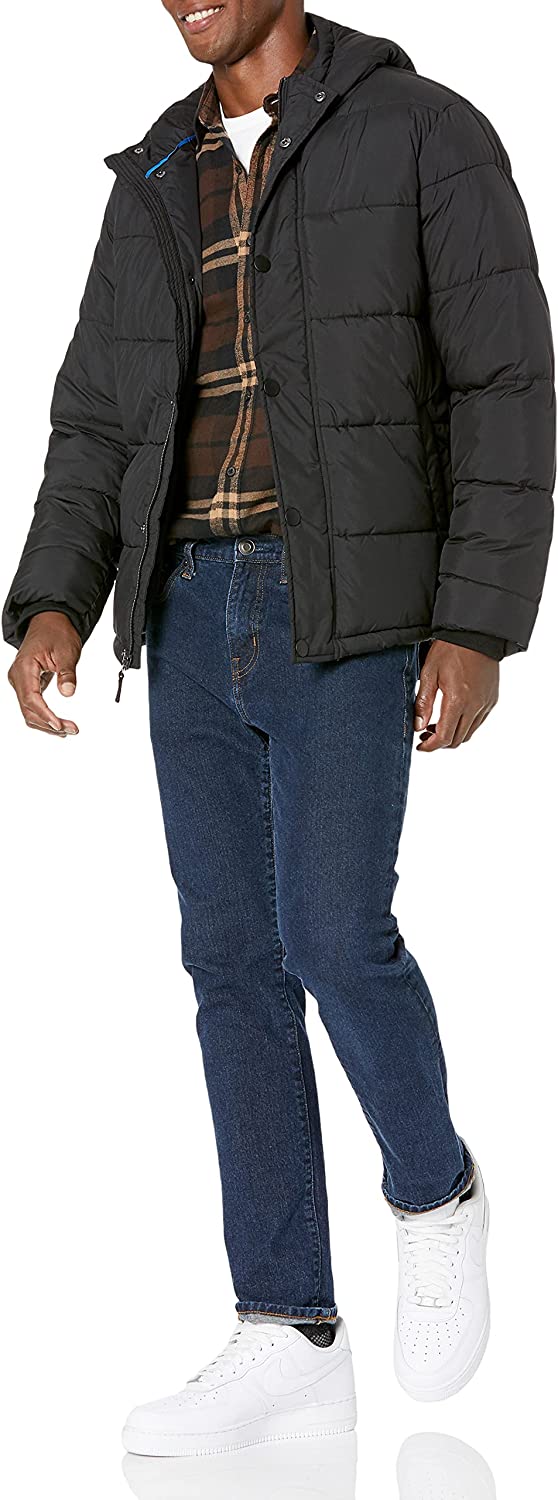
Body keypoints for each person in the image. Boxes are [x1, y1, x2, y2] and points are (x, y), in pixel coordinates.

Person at [4, 1, 554, 1459]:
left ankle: (433, 1190)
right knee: (231, 966)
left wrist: (477, 622)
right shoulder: (154, 174)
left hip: (349, 607)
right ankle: (287, 1328)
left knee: (331, 932)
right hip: (186, 610)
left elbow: (506, 387)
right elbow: (96, 417)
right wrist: (53, 599)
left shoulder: (424, 134)